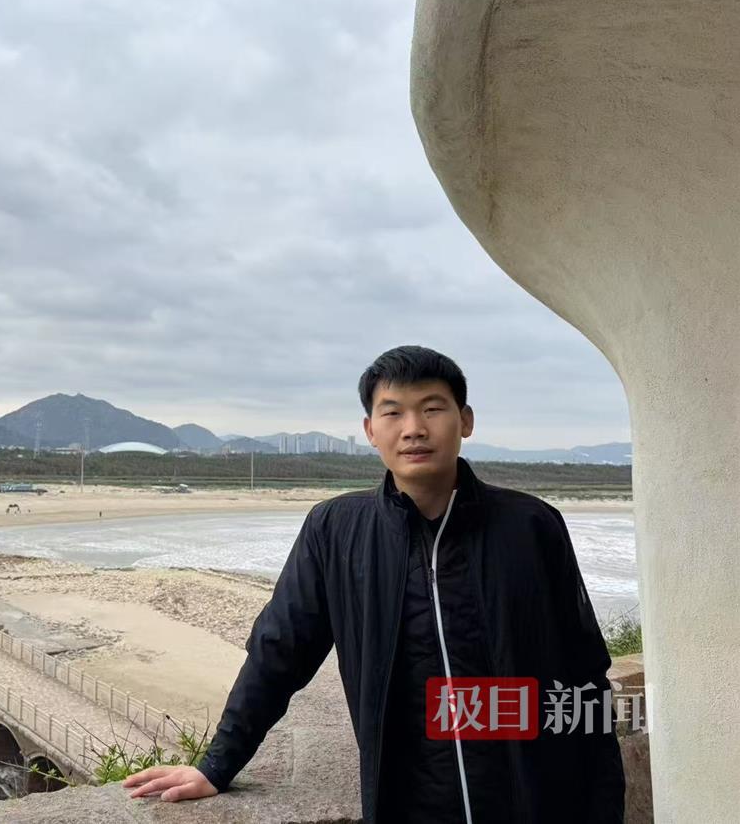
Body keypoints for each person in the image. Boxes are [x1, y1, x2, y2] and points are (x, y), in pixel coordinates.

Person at [123, 346, 624, 823]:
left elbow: (584, 669)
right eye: (393, 413)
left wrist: (604, 805)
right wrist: (217, 763)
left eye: (432, 408)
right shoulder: (335, 530)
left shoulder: (530, 525)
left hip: (535, 800)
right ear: (370, 430)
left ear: (465, 421)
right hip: (411, 804)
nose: (414, 429)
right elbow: (279, 652)